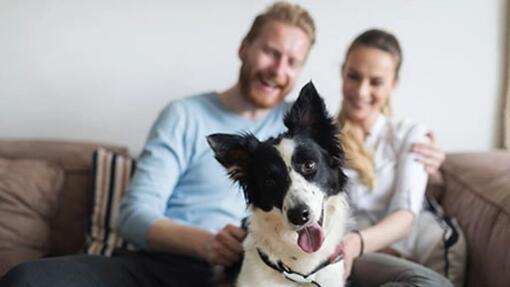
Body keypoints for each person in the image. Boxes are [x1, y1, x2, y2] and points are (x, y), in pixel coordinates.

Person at [0, 3, 445, 286]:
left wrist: (431, 162)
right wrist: (205, 243)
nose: (278, 69)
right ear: (244, 48)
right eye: (270, 52)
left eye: (293, 61)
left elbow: (349, 145)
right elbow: (134, 214)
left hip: (256, 267)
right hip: (167, 263)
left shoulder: (296, 127)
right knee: (27, 279)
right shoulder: (185, 115)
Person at [337, 29, 452, 287]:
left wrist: (356, 242)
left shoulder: (410, 135)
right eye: (353, 77)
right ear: (342, 72)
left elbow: (405, 215)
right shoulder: (320, 137)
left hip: (373, 253)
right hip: (338, 258)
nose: (361, 91)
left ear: (393, 83)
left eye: (375, 82)